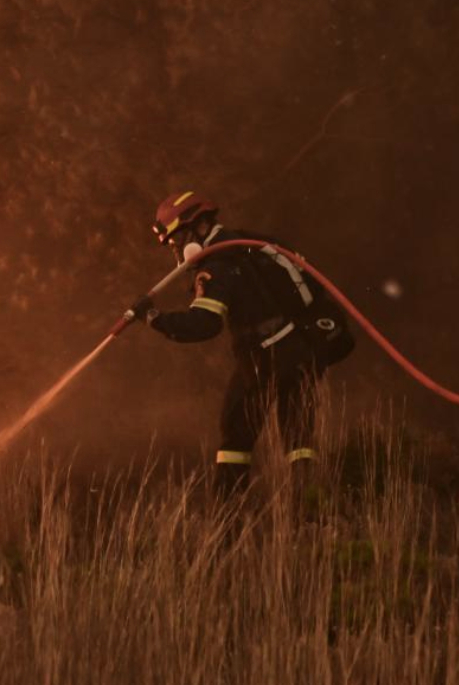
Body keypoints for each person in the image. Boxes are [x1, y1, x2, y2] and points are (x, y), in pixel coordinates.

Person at [128, 190, 354, 498]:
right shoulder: (250, 245)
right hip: (301, 349)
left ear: (197, 228)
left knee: (235, 437)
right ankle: (310, 509)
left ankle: (227, 518)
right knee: (298, 435)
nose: (177, 250)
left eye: (177, 241)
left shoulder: (218, 267)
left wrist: (153, 318)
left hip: (263, 358)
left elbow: (204, 324)